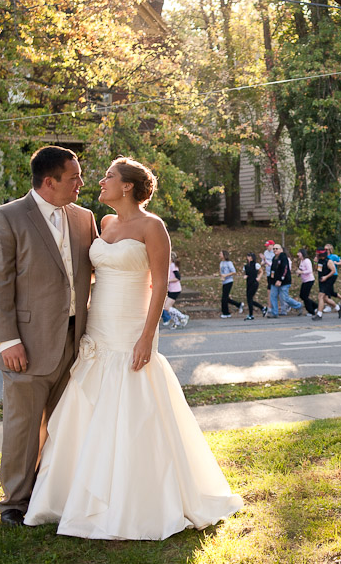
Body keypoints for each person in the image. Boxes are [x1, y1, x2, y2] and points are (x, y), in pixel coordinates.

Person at [23, 157, 242, 539]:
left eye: (108, 177)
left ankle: (132, 501)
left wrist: (146, 337)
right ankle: (69, 495)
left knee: (130, 406)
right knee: (84, 408)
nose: (100, 182)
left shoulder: (153, 227)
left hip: (130, 330)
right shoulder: (104, 223)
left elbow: (160, 286)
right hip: (98, 329)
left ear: (126, 187)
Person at [0, 146, 98, 528]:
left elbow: (97, 272)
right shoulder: (7, 217)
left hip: (76, 340)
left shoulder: (84, 218)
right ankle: (15, 501)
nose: (81, 183)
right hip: (25, 344)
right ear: (50, 181)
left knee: (64, 421)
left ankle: (53, 490)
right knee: (24, 424)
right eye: (74, 177)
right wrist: (7, 339)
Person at [267, 244, 304, 318]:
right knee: (273, 296)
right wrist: (272, 279)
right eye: (274, 249)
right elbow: (273, 270)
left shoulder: (283, 257)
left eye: (276, 249)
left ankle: (299, 305)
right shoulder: (274, 258)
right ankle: (275, 313)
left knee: (285, 298)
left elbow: (285, 269)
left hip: (284, 282)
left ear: (281, 249)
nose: (275, 250)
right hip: (274, 282)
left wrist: (281, 279)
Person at [164, 251, 189, 328]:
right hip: (171, 289)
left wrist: (168, 281)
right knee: (168, 307)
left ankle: (183, 316)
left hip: (175, 289)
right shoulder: (170, 266)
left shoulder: (173, 266)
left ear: (171, 258)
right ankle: (176, 322)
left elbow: (178, 278)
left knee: (166, 307)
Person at [313, 248, 341, 320]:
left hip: (329, 279)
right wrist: (315, 262)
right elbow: (317, 269)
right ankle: (338, 308)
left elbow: (333, 271)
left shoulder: (328, 261)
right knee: (325, 298)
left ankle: (319, 314)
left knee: (320, 296)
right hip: (322, 279)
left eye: (317, 254)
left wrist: (326, 277)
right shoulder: (320, 261)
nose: (316, 255)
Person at [218, 250, 243, 318]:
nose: (219, 255)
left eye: (220, 253)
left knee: (224, 299)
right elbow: (221, 273)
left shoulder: (229, 263)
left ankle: (226, 313)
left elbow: (234, 272)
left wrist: (226, 275)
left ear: (224, 255)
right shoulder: (221, 263)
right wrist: (218, 275)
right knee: (226, 298)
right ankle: (239, 304)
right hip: (224, 282)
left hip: (229, 281)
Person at [243, 252, 266, 320]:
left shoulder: (256, 265)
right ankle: (262, 308)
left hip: (254, 283)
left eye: (249, 256)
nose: (248, 258)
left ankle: (251, 314)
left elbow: (261, 271)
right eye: (247, 256)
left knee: (249, 298)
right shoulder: (246, 266)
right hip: (249, 283)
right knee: (249, 299)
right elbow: (246, 273)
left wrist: (259, 277)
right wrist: (245, 276)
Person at [296, 248, 318, 315]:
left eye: (299, 253)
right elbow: (301, 269)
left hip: (309, 280)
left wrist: (301, 272)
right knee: (302, 295)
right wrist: (299, 273)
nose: (298, 254)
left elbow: (310, 270)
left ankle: (311, 311)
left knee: (305, 296)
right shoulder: (302, 261)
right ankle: (315, 306)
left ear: (302, 253)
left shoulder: (307, 261)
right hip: (304, 281)